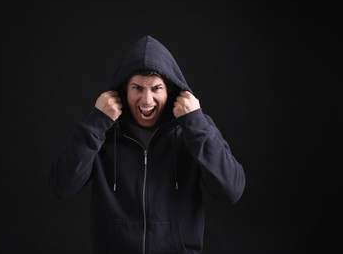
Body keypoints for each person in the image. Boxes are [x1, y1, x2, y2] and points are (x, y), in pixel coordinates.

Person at [49, 35, 246, 254]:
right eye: (138, 88)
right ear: (125, 89)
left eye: (156, 88)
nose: (146, 100)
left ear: (169, 89)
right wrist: (96, 124)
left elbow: (232, 190)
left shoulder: (194, 129)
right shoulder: (103, 130)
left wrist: (196, 125)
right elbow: (62, 185)